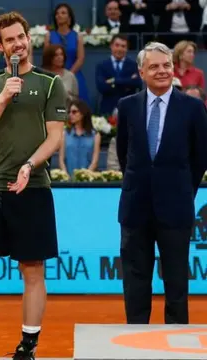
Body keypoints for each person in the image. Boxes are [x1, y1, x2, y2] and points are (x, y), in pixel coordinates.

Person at [0, 12, 68, 360]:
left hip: (33, 187)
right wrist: (3, 97)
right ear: (1, 46)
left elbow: (54, 138)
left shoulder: (51, 84)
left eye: (21, 36)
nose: (17, 43)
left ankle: (27, 347)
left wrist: (29, 165)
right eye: (10, 40)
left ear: (28, 38)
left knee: (32, 269)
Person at [116, 41, 207, 325]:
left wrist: (181, 191)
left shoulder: (193, 107)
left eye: (166, 65)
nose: (161, 71)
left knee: (177, 281)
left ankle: (176, 343)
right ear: (141, 72)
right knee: (135, 280)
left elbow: (200, 157)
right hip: (135, 206)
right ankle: (134, 341)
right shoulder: (127, 106)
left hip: (176, 207)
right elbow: (123, 152)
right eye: (154, 66)